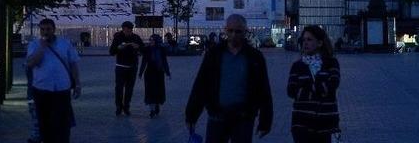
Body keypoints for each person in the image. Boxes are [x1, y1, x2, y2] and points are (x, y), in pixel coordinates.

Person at [186, 14, 273, 142]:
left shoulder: (255, 57)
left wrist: (265, 121)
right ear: (225, 30)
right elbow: (201, 84)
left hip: (243, 118)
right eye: (230, 30)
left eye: (238, 31)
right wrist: (191, 115)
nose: (233, 35)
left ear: (245, 32)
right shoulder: (214, 54)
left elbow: (263, 90)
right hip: (217, 116)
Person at [25, 18, 82, 143]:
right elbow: (31, 63)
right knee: (44, 123)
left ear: (54, 30)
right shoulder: (34, 45)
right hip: (41, 89)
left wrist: (77, 84)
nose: (45, 32)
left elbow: (73, 64)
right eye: (42, 29)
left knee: (63, 123)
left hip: (62, 89)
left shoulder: (65, 43)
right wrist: (41, 48)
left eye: (48, 29)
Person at [287, 25, 341, 143]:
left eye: (309, 39)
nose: (305, 43)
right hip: (301, 123)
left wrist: (306, 87)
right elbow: (291, 91)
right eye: (304, 40)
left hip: (327, 123)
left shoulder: (331, 63)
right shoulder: (298, 66)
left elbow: (332, 86)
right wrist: (319, 88)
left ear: (320, 43)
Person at [108, 20, 145, 116]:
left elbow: (143, 49)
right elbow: (111, 52)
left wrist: (137, 47)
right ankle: (118, 107)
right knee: (119, 88)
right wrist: (119, 48)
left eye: (130, 30)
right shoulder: (118, 37)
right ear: (123, 29)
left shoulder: (135, 37)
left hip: (132, 67)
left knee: (129, 89)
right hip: (121, 66)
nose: (129, 32)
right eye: (127, 30)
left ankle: (126, 107)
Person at [139, 34, 171, 118]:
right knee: (150, 92)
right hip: (149, 73)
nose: (150, 42)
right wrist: (140, 73)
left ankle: (157, 105)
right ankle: (152, 110)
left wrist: (168, 72)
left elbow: (164, 62)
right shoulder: (147, 50)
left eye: (152, 40)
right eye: (150, 40)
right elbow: (144, 62)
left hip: (159, 73)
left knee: (158, 91)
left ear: (156, 41)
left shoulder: (161, 50)